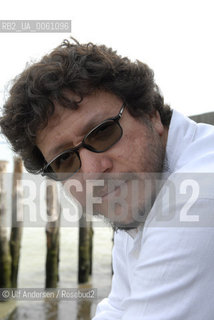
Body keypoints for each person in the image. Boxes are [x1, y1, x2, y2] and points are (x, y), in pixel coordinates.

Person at [1, 39, 214, 319]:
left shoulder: (194, 198)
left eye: (102, 132)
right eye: (64, 160)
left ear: (151, 113)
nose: (91, 172)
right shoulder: (142, 195)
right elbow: (117, 307)